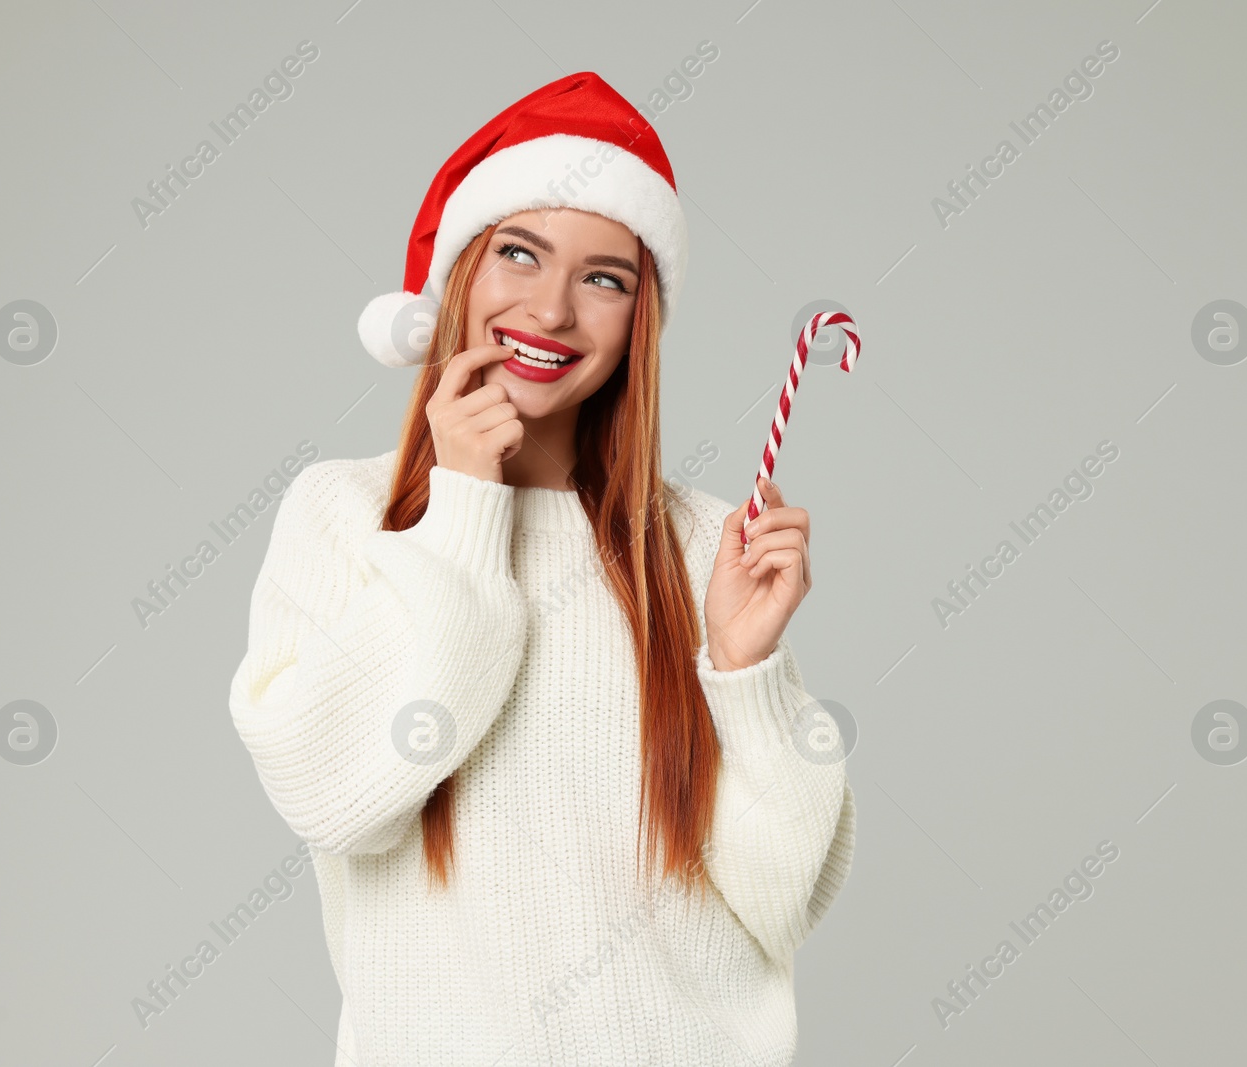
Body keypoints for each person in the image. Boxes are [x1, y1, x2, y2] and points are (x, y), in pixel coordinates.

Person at [229, 71, 854, 1066]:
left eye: (605, 277)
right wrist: (464, 508)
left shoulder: (701, 546)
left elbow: (778, 900)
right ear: (458, 276)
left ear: (640, 317)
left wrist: (745, 669)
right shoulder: (341, 515)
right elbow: (335, 794)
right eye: (518, 253)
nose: (553, 309)